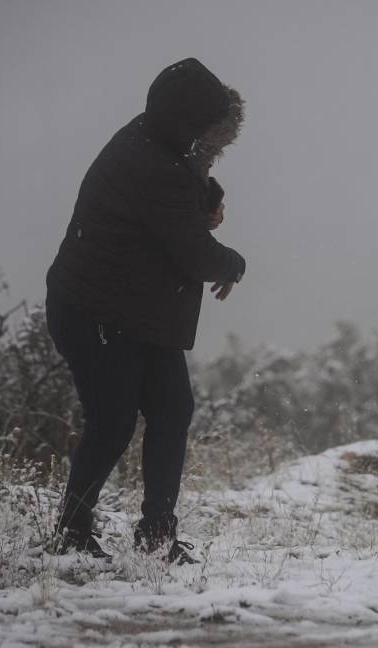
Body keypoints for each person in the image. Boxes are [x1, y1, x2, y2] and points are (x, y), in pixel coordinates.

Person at [45, 58, 246, 563]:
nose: (213, 142)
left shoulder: (152, 138)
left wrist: (205, 204)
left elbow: (180, 196)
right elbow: (196, 254)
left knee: (172, 409)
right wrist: (234, 263)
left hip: (135, 309)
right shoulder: (153, 164)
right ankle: (71, 535)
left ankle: (156, 535)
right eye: (209, 130)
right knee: (112, 420)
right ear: (187, 124)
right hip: (96, 311)